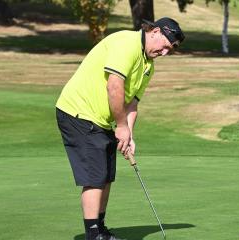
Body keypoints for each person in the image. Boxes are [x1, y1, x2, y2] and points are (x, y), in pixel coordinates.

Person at [56, 17, 185, 240]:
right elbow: (114, 85)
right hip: (78, 112)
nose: (164, 52)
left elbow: (132, 102)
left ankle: (100, 229)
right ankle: (93, 234)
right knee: (95, 176)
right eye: (165, 45)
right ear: (154, 31)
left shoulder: (148, 66)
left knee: (106, 176)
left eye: (170, 50)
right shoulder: (127, 43)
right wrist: (122, 126)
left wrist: (128, 134)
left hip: (101, 119)